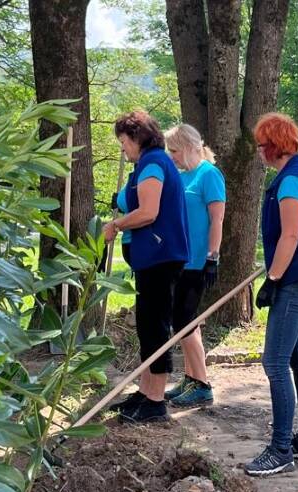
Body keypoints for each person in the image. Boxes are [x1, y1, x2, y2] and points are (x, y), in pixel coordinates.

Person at [244, 112, 298, 477]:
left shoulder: (292, 181)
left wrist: (273, 278)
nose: (259, 152)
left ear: (274, 145)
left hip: (296, 281)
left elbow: (291, 236)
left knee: (275, 362)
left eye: (262, 145)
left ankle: (281, 448)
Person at [104, 110, 190, 424]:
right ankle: (145, 391)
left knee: (155, 327)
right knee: (146, 325)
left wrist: (116, 224)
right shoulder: (148, 163)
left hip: (161, 256)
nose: (123, 148)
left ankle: (156, 401)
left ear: (137, 138)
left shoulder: (154, 163)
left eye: (124, 141)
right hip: (151, 258)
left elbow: (149, 211)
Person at [161, 124, 227, 408]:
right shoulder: (182, 175)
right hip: (179, 259)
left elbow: (217, 220)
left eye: (174, 151)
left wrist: (212, 257)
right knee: (184, 321)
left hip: (199, 261)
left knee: (185, 320)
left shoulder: (209, 175)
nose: (171, 156)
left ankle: (202, 385)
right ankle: (190, 378)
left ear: (189, 147)